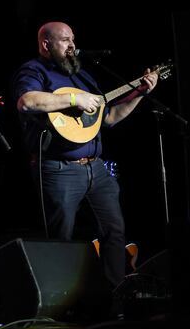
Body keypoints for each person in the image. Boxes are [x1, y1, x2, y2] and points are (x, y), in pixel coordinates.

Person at [11, 21, 158, 288]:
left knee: (115, 230)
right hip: (59, 169)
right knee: (61, 238)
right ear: (46, 44)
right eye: (65, 40)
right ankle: (62, 299)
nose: (72, 45)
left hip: (96, 168)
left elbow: (110, 118)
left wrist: (139, 93)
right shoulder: (35, 70)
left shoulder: (83, 77)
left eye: (73, 39)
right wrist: (73, 100)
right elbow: (27, 101)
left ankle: (116, 293)